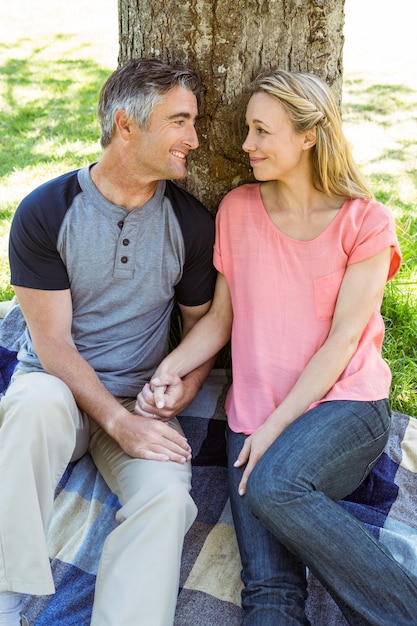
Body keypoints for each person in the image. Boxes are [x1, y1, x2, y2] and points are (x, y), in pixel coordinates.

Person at [140, 69, 417, 625]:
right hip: (253, 415)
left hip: (343, 408)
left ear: (309, 135)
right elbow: (222, 318)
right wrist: (167, 370)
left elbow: (343, 343)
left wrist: (275, 427)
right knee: (267, 587)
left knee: (275, 484)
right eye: (248, 129)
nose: (247, 145)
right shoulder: (239, 210)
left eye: (262, 131)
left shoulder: (365, 222)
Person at [0, 58, 217, 626]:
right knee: (29, 406)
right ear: (127, 126)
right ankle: (4, 596)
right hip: (60, 389)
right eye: (180, 121)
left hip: (137, 400)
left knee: (168, 497)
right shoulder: (45, 214)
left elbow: (200, 330)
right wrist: (117, 424)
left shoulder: (189, 223)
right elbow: (51, 346)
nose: (193, 139)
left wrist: (182, 391)